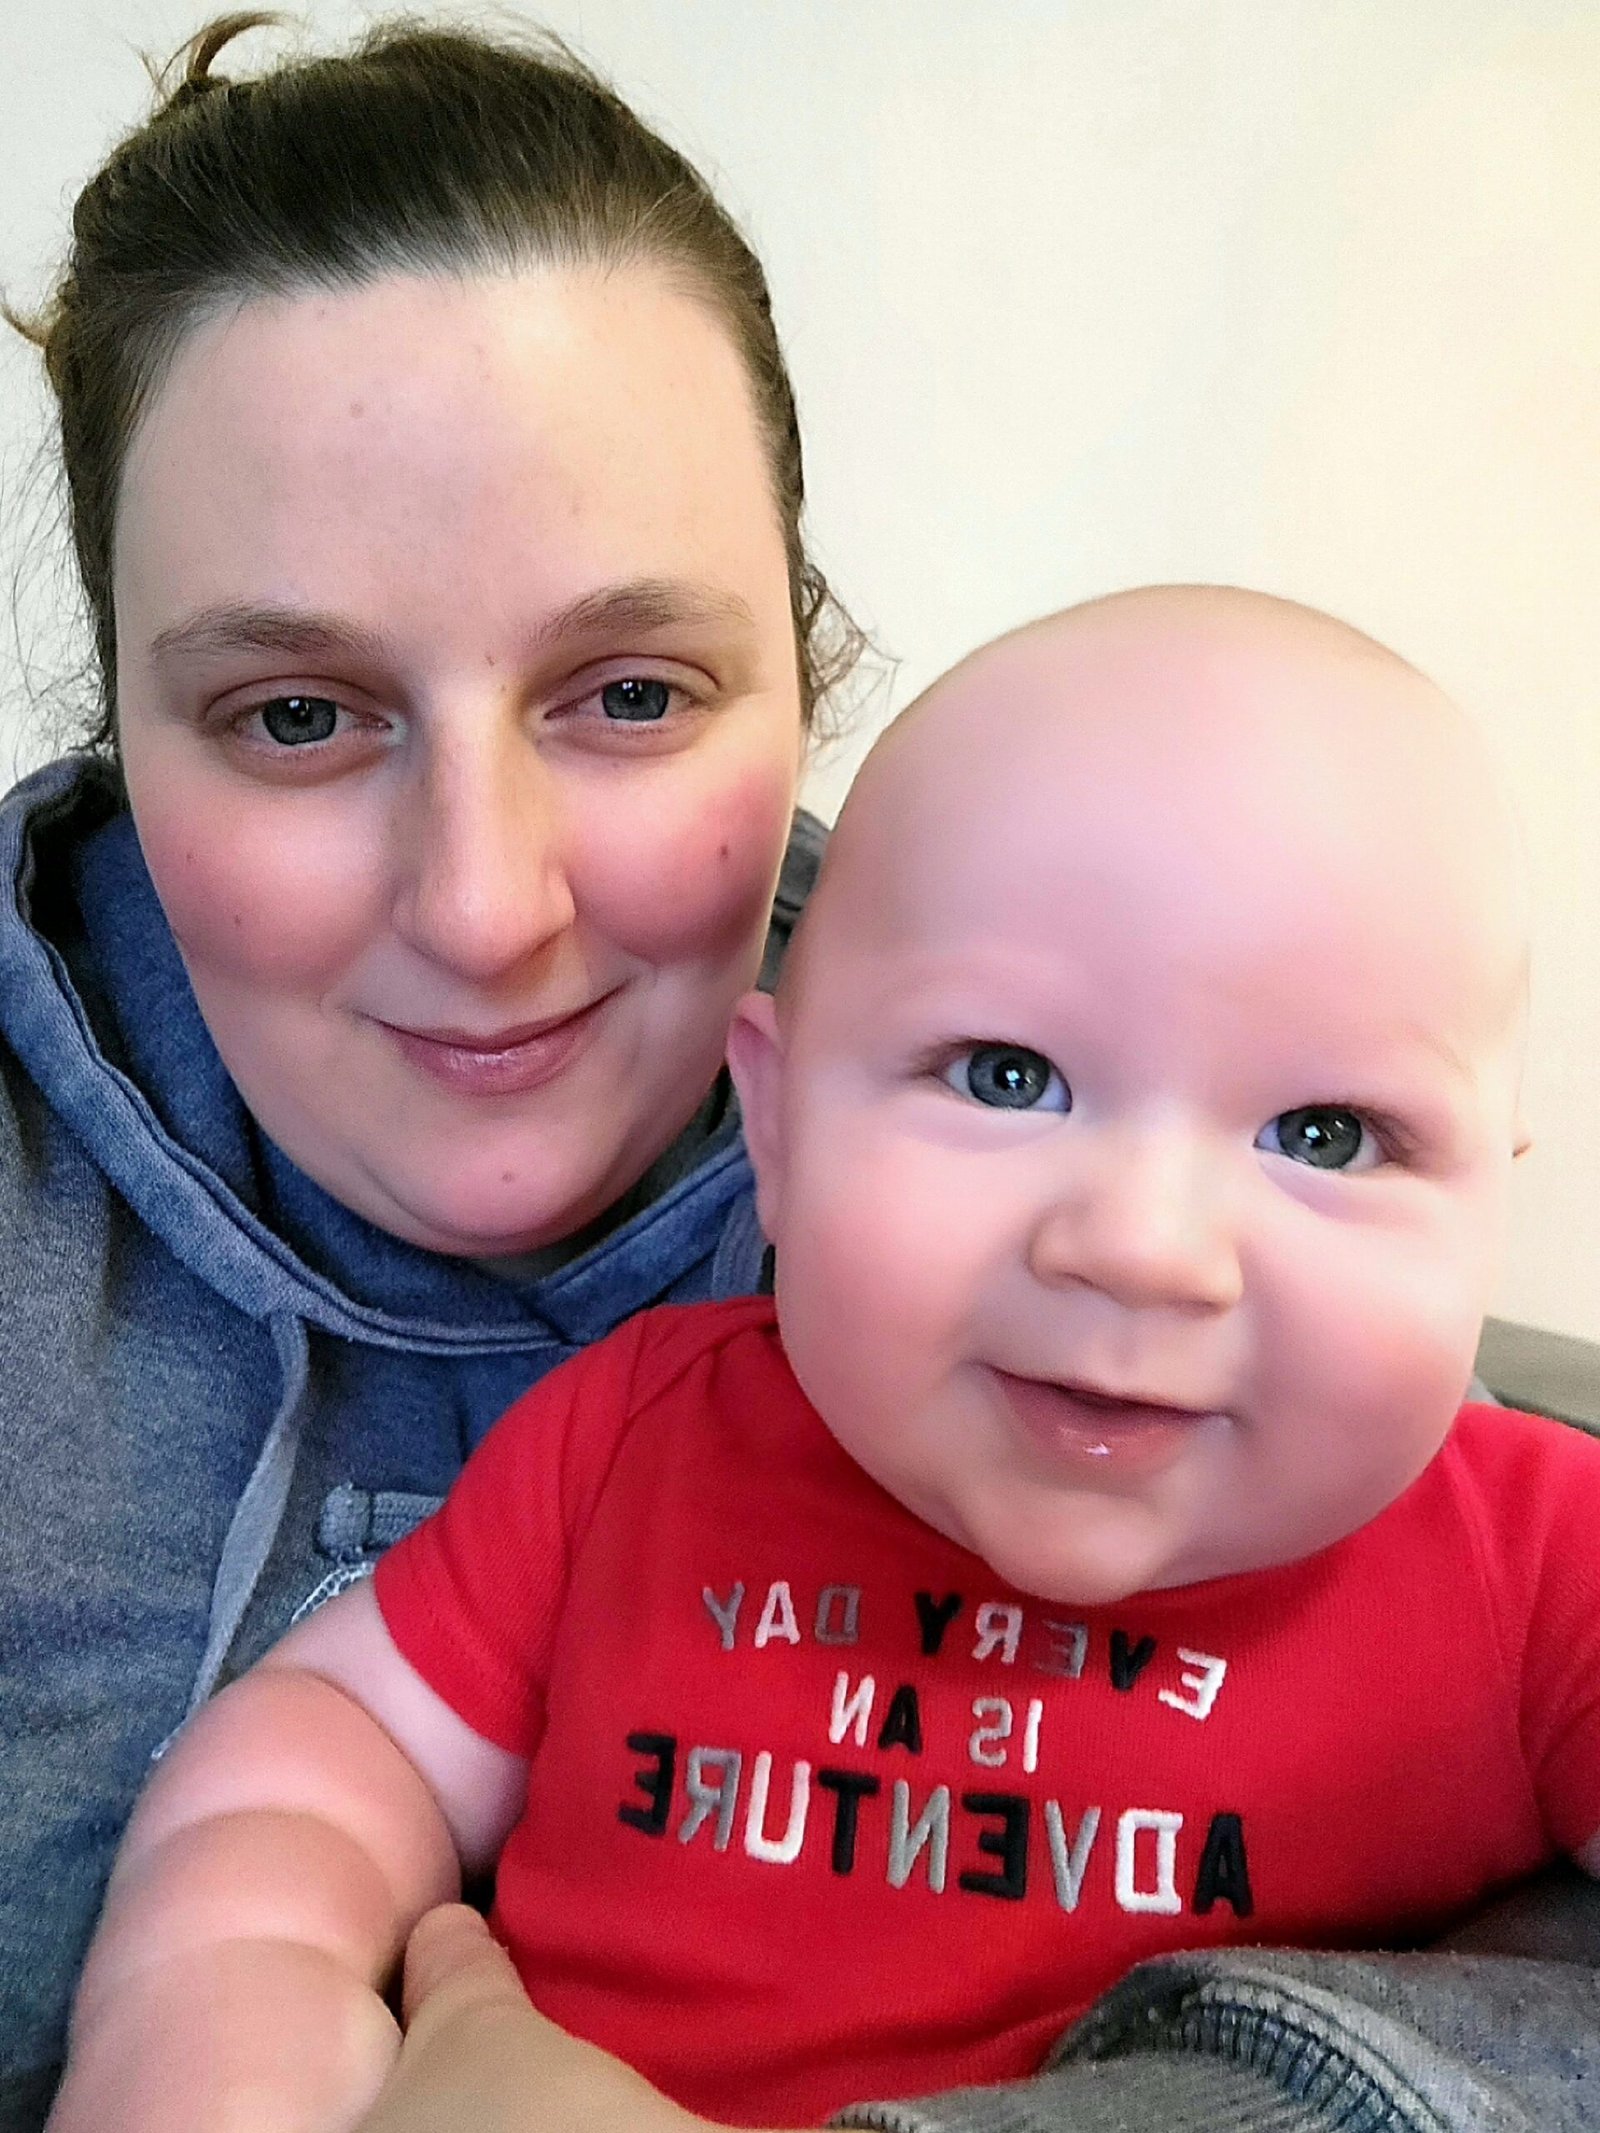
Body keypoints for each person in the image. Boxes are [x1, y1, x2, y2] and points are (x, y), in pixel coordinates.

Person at [49, 587, 1600, 2133]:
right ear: (779, 1128)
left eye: (1326, 1135)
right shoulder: (638, 1439)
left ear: (1489, 1205)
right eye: (1007, 1075)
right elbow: (341, 1746)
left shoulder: (1541, 1568)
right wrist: (232, 1980)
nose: (1142, 1246)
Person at [0, 14, 860, 2121]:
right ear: (126, 736)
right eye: (300, 717)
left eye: (630, 693)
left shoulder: (1110, 1144)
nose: (483, 908)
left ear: (807, 670)